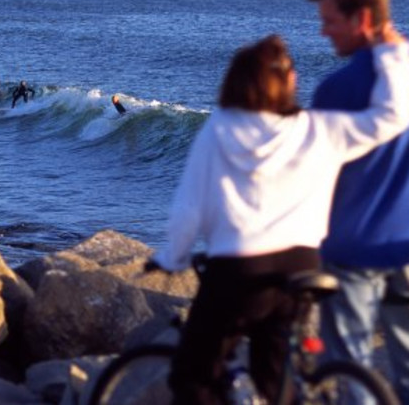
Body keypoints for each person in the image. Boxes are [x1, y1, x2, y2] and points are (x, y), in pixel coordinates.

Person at [153, 33, 409, 404]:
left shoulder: (221, 128)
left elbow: (188, 208)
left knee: (194, 375)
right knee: (276, 382)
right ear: (289, 82)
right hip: (301, 266)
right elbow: (390, 118)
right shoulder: (316, 127)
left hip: (240, 267)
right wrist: (392, 53)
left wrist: (172, 257)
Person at [308, 0, 409, 402]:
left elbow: (315, 175)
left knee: (352, 370)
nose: (323, 31)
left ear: (362, 18)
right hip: (405, 244)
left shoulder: (336, 91)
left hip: (352, 248)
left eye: (330, 20)